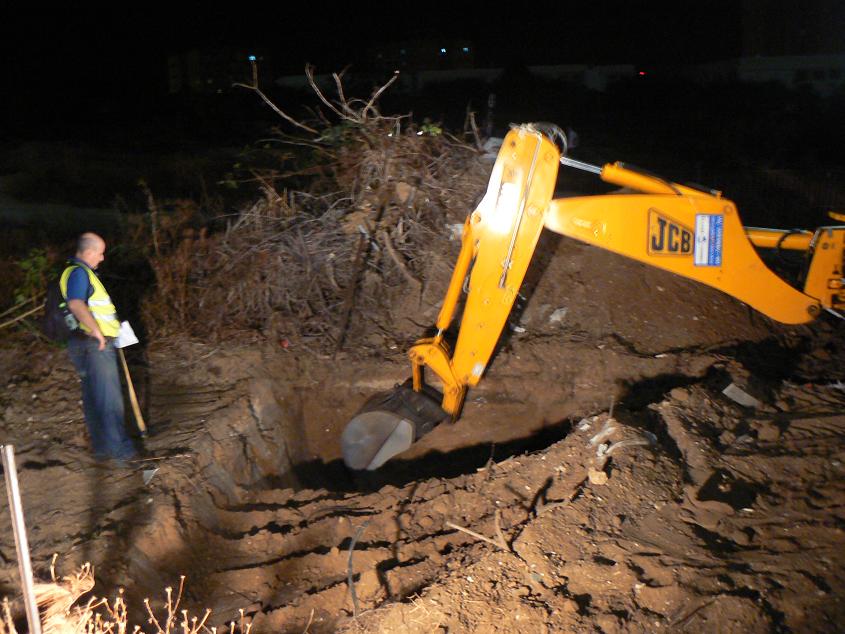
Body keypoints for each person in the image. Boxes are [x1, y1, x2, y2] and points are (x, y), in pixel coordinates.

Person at [61, 232, 137, 465]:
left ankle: (104, 450)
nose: (102, 258)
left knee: (94, 397)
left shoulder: (71, 272)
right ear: (90, 251)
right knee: (109, 399)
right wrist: (96, 331)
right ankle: (121, 454)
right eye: (100, 252)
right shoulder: (80, 273)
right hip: (94, 343)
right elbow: (76, 303)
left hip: (82, 342)